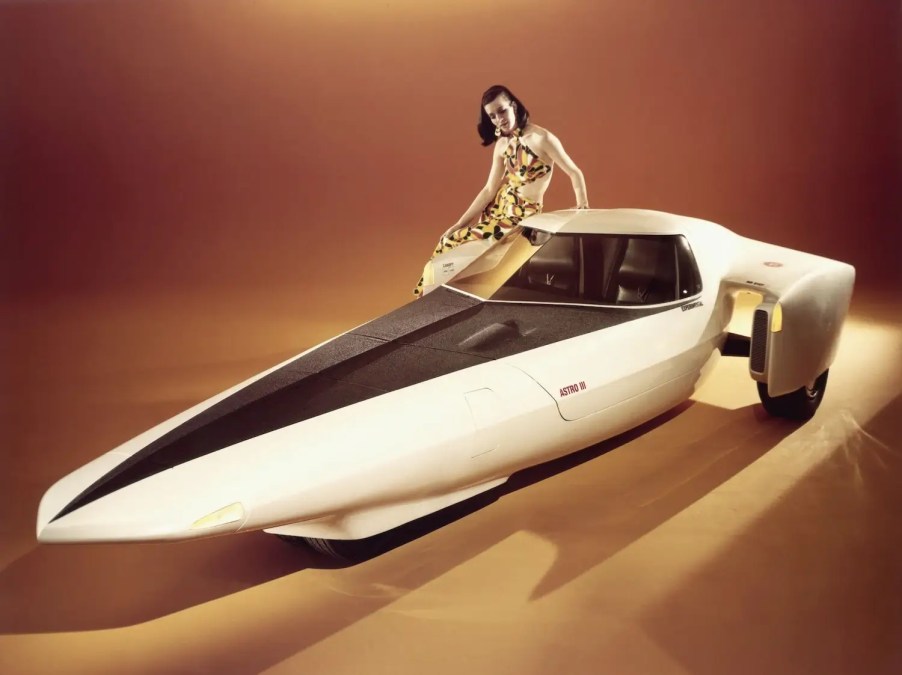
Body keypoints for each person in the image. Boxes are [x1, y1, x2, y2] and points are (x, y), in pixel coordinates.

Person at [413, 84, 589, 297]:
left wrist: (582, 207)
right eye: (492, 116)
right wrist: (460, 223)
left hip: (521, 217)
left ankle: (431, 300)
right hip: (497, 210)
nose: (499, 119)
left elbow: (574, 172)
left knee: (458, 249)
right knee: (449, 241)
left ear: (513, 106)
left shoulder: (542, 138)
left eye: (502, 111)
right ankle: (428, 301)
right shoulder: (502, 144)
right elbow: (489, 189)